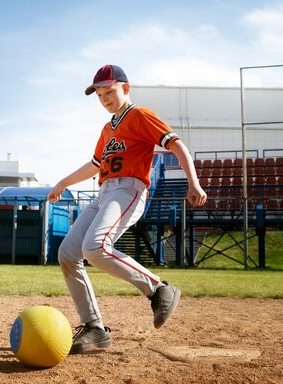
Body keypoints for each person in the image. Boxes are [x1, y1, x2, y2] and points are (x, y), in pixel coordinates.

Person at [47, 64, 207, 354]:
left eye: (109, 91)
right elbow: (95, 165)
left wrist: (193, 183)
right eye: (99, 94)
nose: (104, 98)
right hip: (104, 192)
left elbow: (177, 146)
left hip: (128, 189)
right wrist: (63, 182)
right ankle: (94, 328)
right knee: (68, 253)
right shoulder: (107, 129)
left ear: (126, 88)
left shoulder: (140, 116)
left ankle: (158, 289)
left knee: (95, 247)